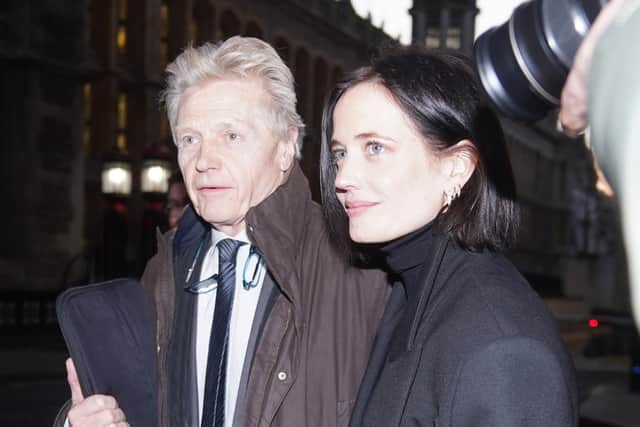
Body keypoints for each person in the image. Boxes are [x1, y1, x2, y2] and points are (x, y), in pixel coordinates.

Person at [58, 36, 389, 427]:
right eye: (189, 139)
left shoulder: (363, 271)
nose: (203, 161)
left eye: (231, 136)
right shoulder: (164, 270)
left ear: (286, 148)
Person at [319, 48, 579, 426]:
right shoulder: (409, 291)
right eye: (340, 153)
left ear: (456, 169)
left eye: (375, 148)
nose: (342, 178)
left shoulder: (503, 348)